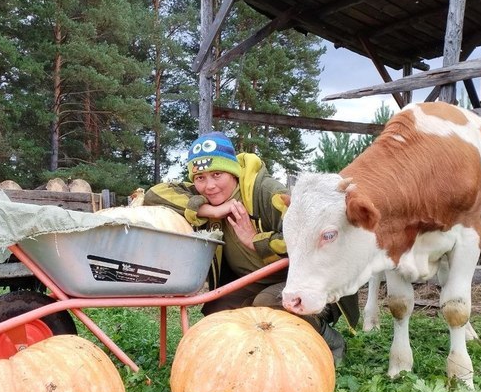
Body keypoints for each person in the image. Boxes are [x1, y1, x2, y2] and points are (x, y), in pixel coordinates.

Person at [144, 131, 359, 364]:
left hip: (307, 283)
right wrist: (208, 211)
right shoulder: (205, 198)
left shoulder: (268, 193)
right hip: (251, 282)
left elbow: (313, 241)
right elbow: (153, 194)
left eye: (217, 174)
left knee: (269, 303)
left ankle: (329, 340)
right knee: (215, 315)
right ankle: (258, 357)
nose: (209, 186)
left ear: (233, 172)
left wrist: (255, 240)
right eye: (200, 178)